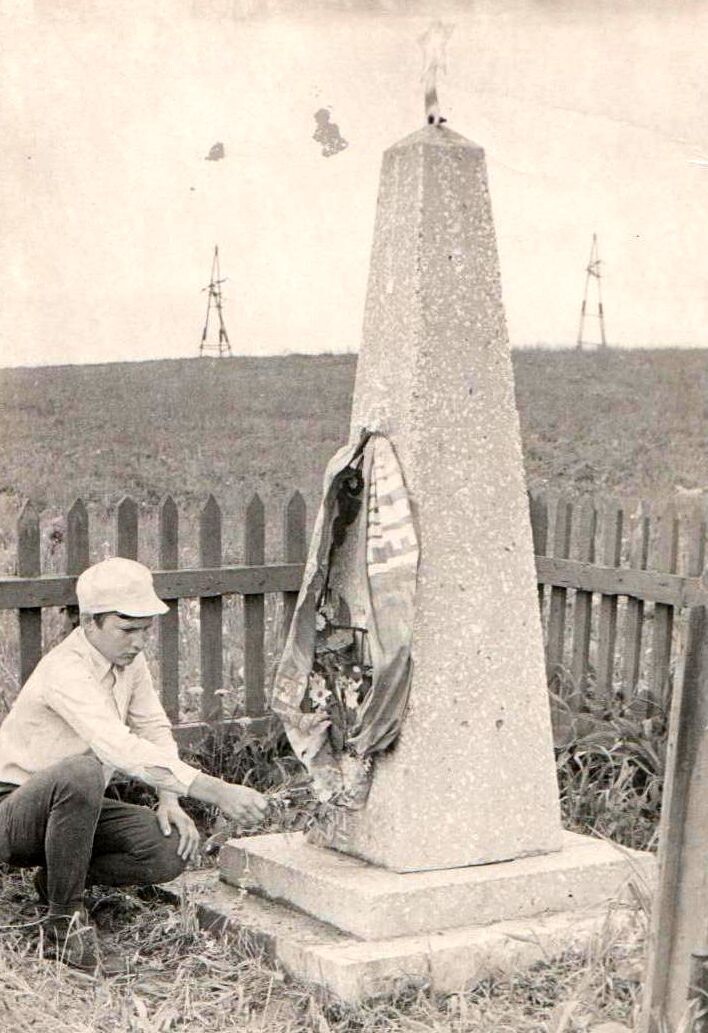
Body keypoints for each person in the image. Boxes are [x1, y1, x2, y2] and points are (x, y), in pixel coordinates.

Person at [0, 557, 269, 972]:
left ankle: (55, 882)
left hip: (74, 809)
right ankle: (62, 925)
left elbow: (153, 728)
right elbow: (117, 746)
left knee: (166, 851)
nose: (139, 642)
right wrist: (215, 790)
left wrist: (171, 799)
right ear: (90, 623)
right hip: (14, 811)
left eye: (146, 630)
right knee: (82, 770)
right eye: (127, 629)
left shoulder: (130, 661)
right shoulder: (65, 669)